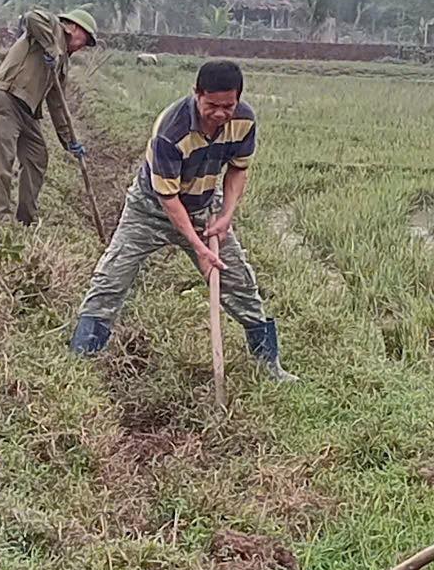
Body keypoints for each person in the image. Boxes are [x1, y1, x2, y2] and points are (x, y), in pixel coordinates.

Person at [69, 59, 295, 381]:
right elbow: (168, 198)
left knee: (239, 283)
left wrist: (226, 216)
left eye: (227, 105)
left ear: (238, 98)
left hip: (205, 209)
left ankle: (269, 365)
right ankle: (81, 360)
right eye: (212, 105)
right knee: (111, 279)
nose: (220, 114)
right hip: (150, 210)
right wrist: (198, 247)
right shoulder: (171, 130)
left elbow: (238, 169)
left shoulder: (244, 119)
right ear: (196, 94)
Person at [0, 8, 98, 226]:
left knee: (37, 156)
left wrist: (70, 142)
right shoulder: (53, 27)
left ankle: (26, 217)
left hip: (29, 110)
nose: (82, 47)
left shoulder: (62, 64)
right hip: (8, 96)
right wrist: (50, 46)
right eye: (84, 40)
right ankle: (1, 217)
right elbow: (31, 17)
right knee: (4, 159)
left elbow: (57, 104)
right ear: (74, 27)